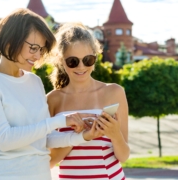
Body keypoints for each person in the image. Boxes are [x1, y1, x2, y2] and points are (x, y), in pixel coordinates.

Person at [0, 9, 100, 180]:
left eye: (41, 49)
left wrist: (83, 135)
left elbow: (44, 137)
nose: (38, 56)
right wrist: (60, 121)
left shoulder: (34, 81)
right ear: (9, 41)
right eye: (33, 48)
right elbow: (4, 140)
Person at [47, 22, 130, 180]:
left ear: (95, 56)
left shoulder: (114, 92)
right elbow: (50, 161)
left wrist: (114, 134)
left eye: (88, 59)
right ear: (61, 60)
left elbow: (124, 156)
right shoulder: (52, 100)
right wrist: (79, 135)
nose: (81, 67)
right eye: (73, 61)